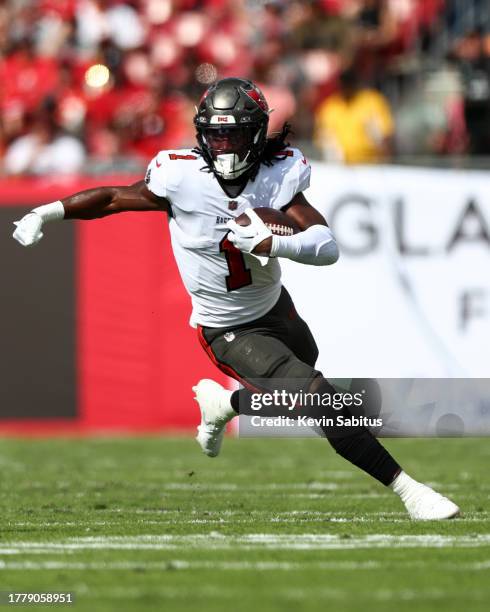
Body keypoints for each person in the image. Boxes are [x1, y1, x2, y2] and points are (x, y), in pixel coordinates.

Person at [12, 77, 459, 520]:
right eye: (215, 134)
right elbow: (112, 198)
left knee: (307, 394)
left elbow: (326, 246)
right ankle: (411, 492)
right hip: (227, 329)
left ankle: (226, 405)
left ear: (258, 132)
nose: (224, 146)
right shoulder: (180, 173)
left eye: (235, 133)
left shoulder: (278, 171)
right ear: (201, 135)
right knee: (323, 401)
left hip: (277, 309)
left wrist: (274, 244)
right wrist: (46, 211)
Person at [314, 67, 394, 164]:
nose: (347, 88)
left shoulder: (372, 101)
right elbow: (322, 139)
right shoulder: (330, 107)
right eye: (344, 85)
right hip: (340, 166)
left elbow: (386, 137)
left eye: (349, 84)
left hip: (371, 164)